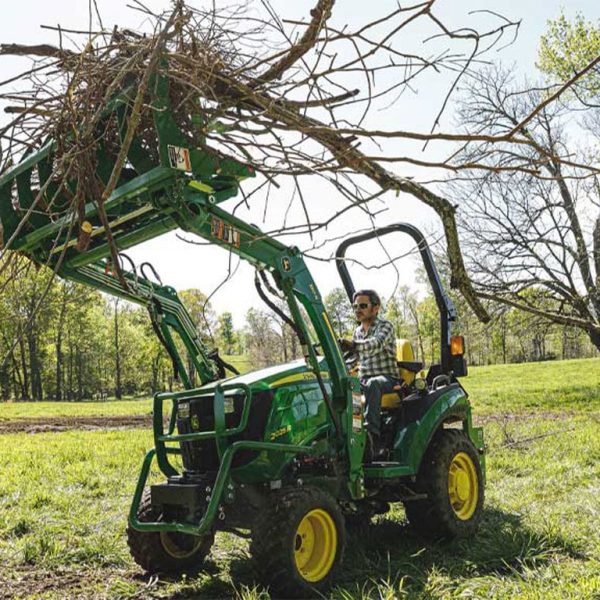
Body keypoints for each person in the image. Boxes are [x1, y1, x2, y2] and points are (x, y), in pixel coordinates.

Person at [339, 289, 399, 459]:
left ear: (376, 308)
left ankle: (373, 439)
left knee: (373, 383)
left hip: (387, 379)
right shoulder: (357, 332)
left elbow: (376, 344)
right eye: (355, 306)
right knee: (346, 386)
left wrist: (353, 345)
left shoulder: (385, 327)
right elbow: (353, 359)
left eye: (363, 306)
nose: (358, 309)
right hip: (364, 379)